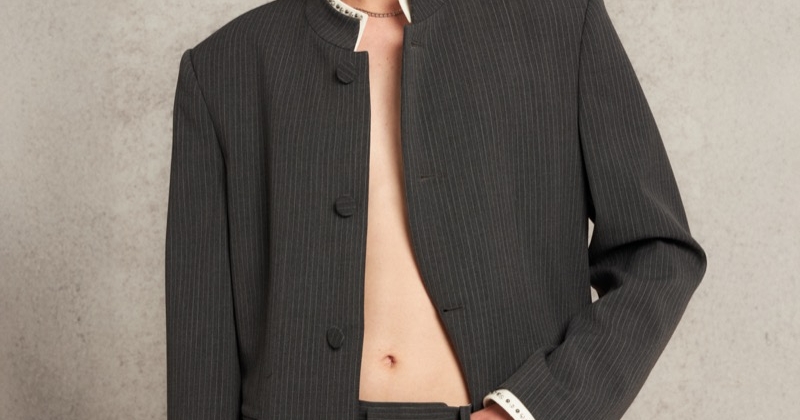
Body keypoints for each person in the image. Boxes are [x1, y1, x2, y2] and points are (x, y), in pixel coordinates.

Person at [164, 0, 707, 419]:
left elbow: (659, 254)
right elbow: (201, 338)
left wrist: (532, 410)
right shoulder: (225, 67)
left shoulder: (558, 20)